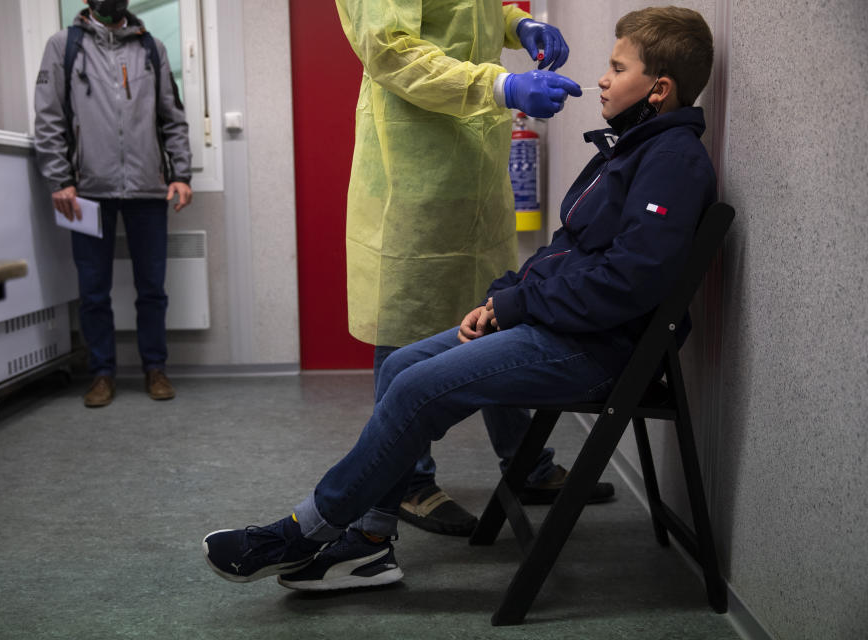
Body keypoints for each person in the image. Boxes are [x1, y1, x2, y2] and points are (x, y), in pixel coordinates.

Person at [203, 5, 715, 592]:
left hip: (593, 348)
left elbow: (629, 282)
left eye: (616, 67)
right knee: (399, 363)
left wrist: (513, 24)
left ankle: (302, 530)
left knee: (419, 389)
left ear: (660, 89)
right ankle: (369, 543)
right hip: (564, 324)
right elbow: (567, 252)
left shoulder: (670, 162)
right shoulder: (629, 148)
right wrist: (505, 296)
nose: (602, 78)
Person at [336, 0, 612, 538]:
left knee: (494, 309)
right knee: (407, 319)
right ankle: (410, 480)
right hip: (412, 166)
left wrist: (518, 23)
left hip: (475, 165)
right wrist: (502, 86)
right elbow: (389, 49)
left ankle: (525, 462)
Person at [34, 0, 192, 408]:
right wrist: (60, 179)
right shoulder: (62, 46)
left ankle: (155, 368)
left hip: (147, 188)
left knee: (153, 289)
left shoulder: (151, 48)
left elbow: (171, 116)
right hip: (87, 190)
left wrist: (180, 174)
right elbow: (48, 117)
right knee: (92, 290)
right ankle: (101, 374)